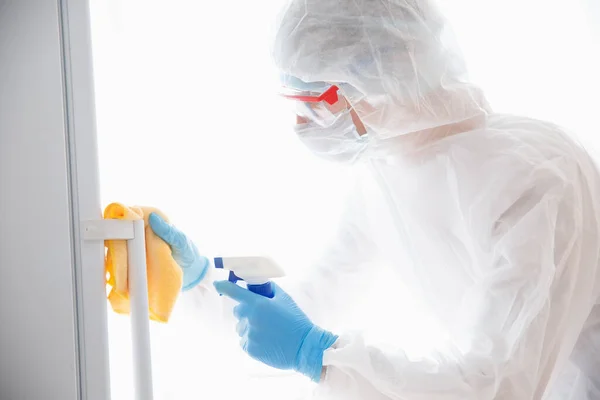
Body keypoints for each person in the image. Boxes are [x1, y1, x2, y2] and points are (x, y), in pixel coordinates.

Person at [149, 0, 600, 398]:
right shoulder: (384, 177)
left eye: (318, 102)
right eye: (297, 104)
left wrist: (320, 356)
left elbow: (498, 385)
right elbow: (309, 303)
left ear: (397, 68)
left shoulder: (534, 177)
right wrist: (205, 283)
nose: (304, 127)